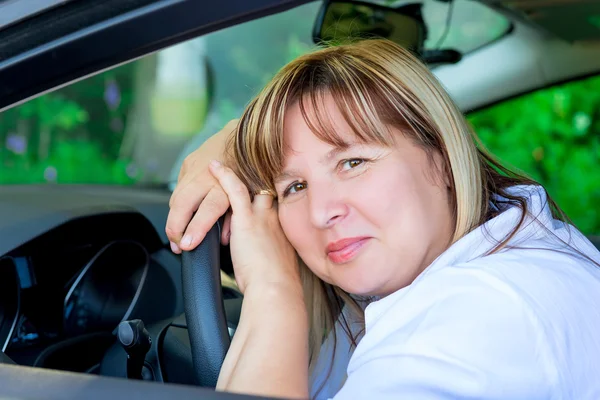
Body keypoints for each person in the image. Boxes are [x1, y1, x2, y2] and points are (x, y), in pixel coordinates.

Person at [166, 39, 600, 399]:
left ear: (443, 160)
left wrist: (272, 294)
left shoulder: (478, 316)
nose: (321, 213)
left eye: (353, 163)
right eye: (294, 187)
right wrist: (234, 138)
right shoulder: (485, 252)